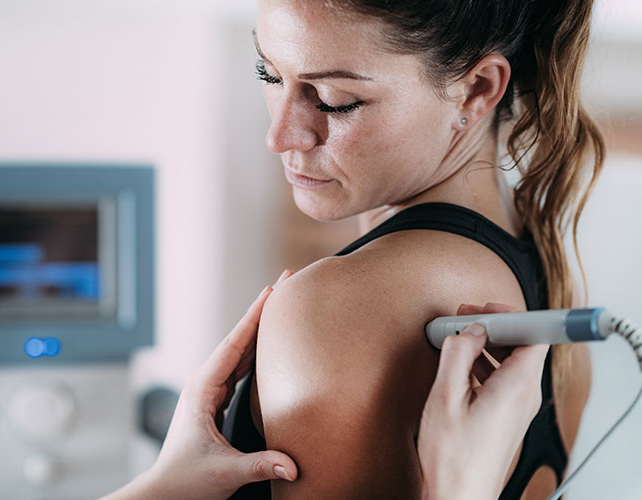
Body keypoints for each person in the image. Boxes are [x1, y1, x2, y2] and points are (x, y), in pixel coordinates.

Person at [223, 1, 604, 499]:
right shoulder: (550, 278)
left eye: (336, 101)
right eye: (269, 73)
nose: (279, 136)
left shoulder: (340, 310)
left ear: (477, 89)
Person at [99, 274, 549, 500]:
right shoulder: (545, 274)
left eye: (340, 115)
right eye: (271, 86)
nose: (279, 139)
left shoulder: (329, 303)